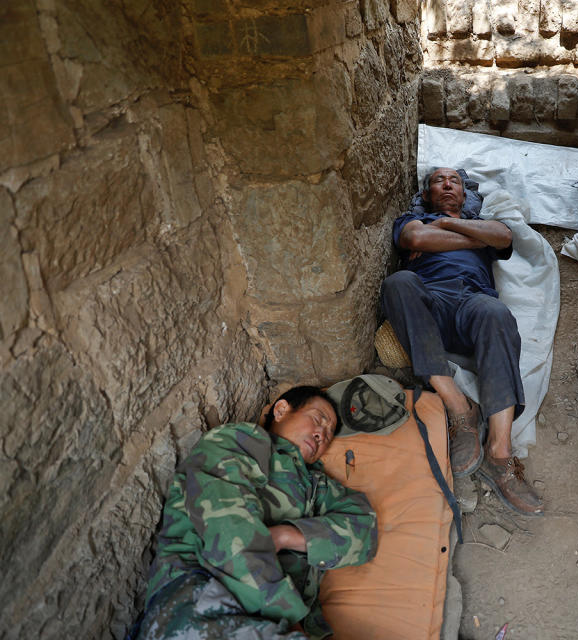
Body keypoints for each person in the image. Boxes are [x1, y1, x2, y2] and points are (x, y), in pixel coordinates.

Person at [135, 386, 378, 640]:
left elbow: (364, 530)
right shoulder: (240, 442)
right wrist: (290, 620)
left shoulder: (320, 486)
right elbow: (228, 529)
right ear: (281, 410)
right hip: (202, 593)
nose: (321, 435)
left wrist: (286, 536)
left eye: (328, 435)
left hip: (273, 621)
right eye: (318, 420)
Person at [380, 167, 542, 516]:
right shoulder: (411, 220)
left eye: (454, 180)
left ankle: (499, 455)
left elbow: (502, 235)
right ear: (426, 195)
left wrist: (447, 225)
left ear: (466, 195)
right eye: (439, 180)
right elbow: (418, 239)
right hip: (431, 302)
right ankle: (460, 410)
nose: (448, 184)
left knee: (497, 314)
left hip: (474, 302)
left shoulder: (479, 220)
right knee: (398, 283)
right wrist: (476, 240)